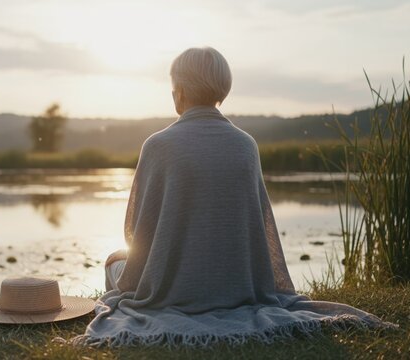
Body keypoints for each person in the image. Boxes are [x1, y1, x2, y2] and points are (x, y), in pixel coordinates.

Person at [74, 47, 393, 347]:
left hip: (170, 292)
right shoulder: (246, 145)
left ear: (180, 92)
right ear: (220, 91)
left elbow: (136, 230)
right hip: (239, 287)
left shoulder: (157, 145)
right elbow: (260, 226)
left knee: (116, 260)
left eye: (173, 87)